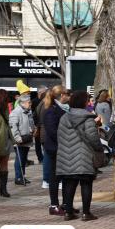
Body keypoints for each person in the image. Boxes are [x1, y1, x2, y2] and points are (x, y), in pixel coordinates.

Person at [56, 91, 102, 221]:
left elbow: (60, 136)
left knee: (69, 184)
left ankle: (68, 212)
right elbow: (93, 138)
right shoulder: (88, 118)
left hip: (66, 156)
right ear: (83, 102)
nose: (89, 102)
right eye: (87, 100)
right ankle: (86, 213)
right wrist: (99, 148)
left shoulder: (64, 117)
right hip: (84, 156)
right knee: (86, 184)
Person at [43, 86, 71, 215]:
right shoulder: (51, 110)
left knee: (65, 176)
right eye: (67, 94)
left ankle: (66, 204)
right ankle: (54, 205)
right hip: (55, 148)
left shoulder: (60, 108)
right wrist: (65, 140)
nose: (69, 97)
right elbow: (52, 131)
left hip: (62, 147)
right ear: (61, 95)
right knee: (55, 177)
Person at [9, 93, 35, 185]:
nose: (30, 104)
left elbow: (30, 123)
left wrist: (33, 130)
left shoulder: (28, 111)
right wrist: (17, 138)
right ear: (22, 103)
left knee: (23, 159)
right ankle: (18, 177)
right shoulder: (16, 112)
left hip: (27, 138)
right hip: (21, 139)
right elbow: (13, 127)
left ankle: (22, 176)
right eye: (29, 102)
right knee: (19, 158)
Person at [32, 86, 47, 165]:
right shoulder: (34, 101)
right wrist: (35, 125)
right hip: (38, 125)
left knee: (43, 142)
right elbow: (33, 114)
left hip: (42, 125)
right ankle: (40, 158)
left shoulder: (46, 101)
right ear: (40, 93)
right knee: (38, 143)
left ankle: (44, 158)